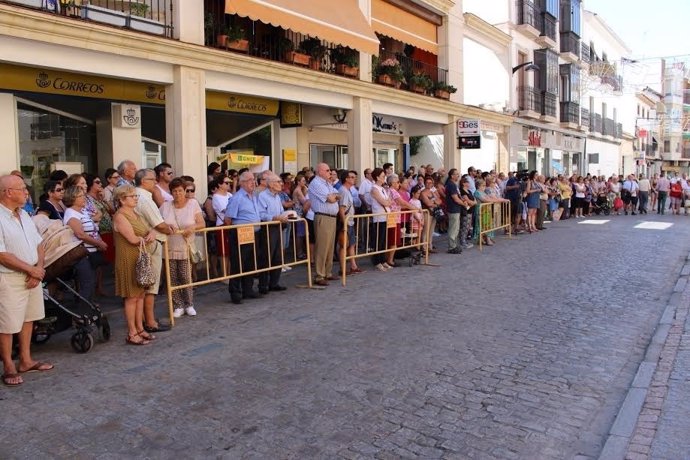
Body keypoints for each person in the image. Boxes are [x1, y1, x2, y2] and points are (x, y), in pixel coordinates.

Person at [0, 174, 53, 386]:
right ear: (7, 192)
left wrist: (38, 269)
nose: (26, 192)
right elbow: (2, 254)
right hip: (10, 278)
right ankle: (8, 366)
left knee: (28, 318)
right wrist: (30, 270)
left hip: (32, 276)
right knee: (7, 323)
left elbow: (39, 244)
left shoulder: (25, 215)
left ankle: (25, 359)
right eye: (21, 188)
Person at [112, 185, 158, 345]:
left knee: (140, 295)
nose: (135, 198)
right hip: (128, 258)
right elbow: (132, 238)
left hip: (139, 257)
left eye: (135, 196)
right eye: (132, 196)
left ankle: (140, 328)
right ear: (122, 200)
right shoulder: (120, 216)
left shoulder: (135, 213)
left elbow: (147, 230)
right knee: (132, 297)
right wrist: (147, 237)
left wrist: (151, 233)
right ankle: (132, 332)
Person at [134, 169, 174, 333]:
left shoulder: (138, 195)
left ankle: (145, 319)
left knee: (146, 284)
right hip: (151, 243)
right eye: (152, 179)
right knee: (151, 284)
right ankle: (150, 321)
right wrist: (168, 228)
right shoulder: (143, 198)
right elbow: (159, 224)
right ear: (143, 181)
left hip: (146, 242)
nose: (156, 182)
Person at [160, 178, 204, 318]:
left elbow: (201, 223)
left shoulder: (193, 204)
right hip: (169, 246)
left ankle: (189, 304)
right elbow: (158, 223)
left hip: (185, 246)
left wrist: (192, 227)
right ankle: (177, 305)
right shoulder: (166, 206)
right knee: (172, 278)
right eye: (174, 191)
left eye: (180, 190)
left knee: (185, 276)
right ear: (171, 192)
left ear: (185, 191)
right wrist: (166, 227)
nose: (178, 193)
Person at [62, 186, 107, 303]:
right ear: (72, 198)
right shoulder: (71, 214)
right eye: (81, 196)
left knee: (91, 282)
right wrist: (99, 243)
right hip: (82, 254)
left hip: (91, 252)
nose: (84, 198)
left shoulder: (82, 211)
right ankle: (81, 314)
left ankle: (89, 311)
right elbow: (80, 234)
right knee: (87, 284)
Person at [224, 171, 262, 304]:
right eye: (250, 180)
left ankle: (248, 289)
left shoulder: (254, 196)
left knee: (250, 262)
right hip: (241, 232)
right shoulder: (237, 198)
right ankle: (235, 292)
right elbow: (228, 218)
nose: (253, 182)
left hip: (254, 232)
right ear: (242, 183)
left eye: (254, 179)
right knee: (238, 263)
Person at [256, 174, 290, 293]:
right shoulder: (263, 196)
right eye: (278, 181)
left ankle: (274, 283)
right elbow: (261, 214)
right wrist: (275, 218)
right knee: (266, 256)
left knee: (277, 256)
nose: (281, 184)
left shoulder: (277, 196)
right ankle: (263, 285)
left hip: (278, 226)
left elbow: (281, 210)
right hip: (268, 228)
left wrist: (285, 216)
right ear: (270, 184)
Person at [309, 163, 340, 285]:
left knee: (330, 247)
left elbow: (337, 194)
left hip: (332, 217)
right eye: (327, 170)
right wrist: (334, 197)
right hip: (323, 216)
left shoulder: (327, 183)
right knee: (322, 247)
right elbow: (331, 199)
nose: (330, 173)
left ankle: (328, 272)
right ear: (320, 171)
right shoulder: (316, 183)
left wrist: (334, 196)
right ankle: (319, 275)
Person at [338, 170, 363, 275]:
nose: (354, 179)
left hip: (350, 221)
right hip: (346, 222)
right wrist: (344, 224)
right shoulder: (343, 191)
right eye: (352, 177)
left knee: (352, 244)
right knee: (344, 245)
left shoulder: (348, 190)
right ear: (346, 179)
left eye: (354, 177)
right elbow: (342, 209)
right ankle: (343, 268)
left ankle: (353, 266)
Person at [369, 168, 391, 271]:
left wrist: (387, 201)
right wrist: (387, 201)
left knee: (383, 240)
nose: (384, 178)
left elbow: (389, 200)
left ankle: (383, 260)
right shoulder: (374, 189)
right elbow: (385, 202)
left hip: (385, 216)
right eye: (382, 176)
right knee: (378, 240)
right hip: (378, 217)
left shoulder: (382, 188)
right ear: (377, 177)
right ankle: (377, 261)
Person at [445, 169, 464, 254]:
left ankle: (454, 245)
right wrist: (464, 204)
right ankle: (452, 246)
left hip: (456, 208)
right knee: (453, 228)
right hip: (453, 209)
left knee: (456, 228)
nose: (458, 176)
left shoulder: (453, 184)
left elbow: (458, 196)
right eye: (456, 174)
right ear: (452, 176)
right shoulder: (451, 185)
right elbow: (455, 198)